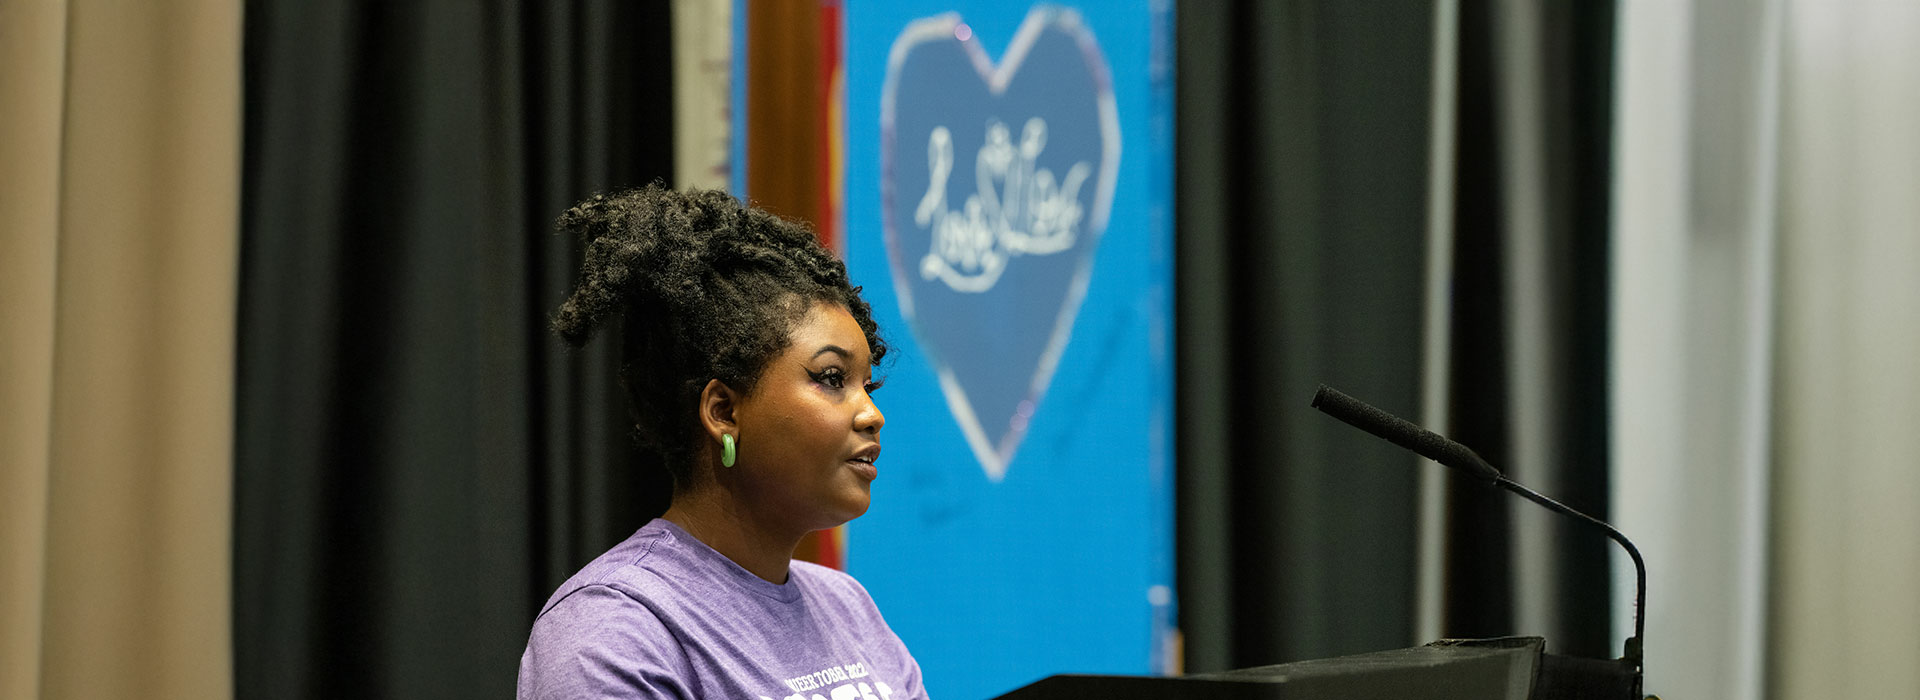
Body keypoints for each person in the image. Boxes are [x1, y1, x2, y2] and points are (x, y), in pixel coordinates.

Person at [517, 186, 927, 700]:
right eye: (830, 378)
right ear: (724, 412)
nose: (871, 415)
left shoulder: (848, 607)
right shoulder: (615, 630)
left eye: (867, 386)